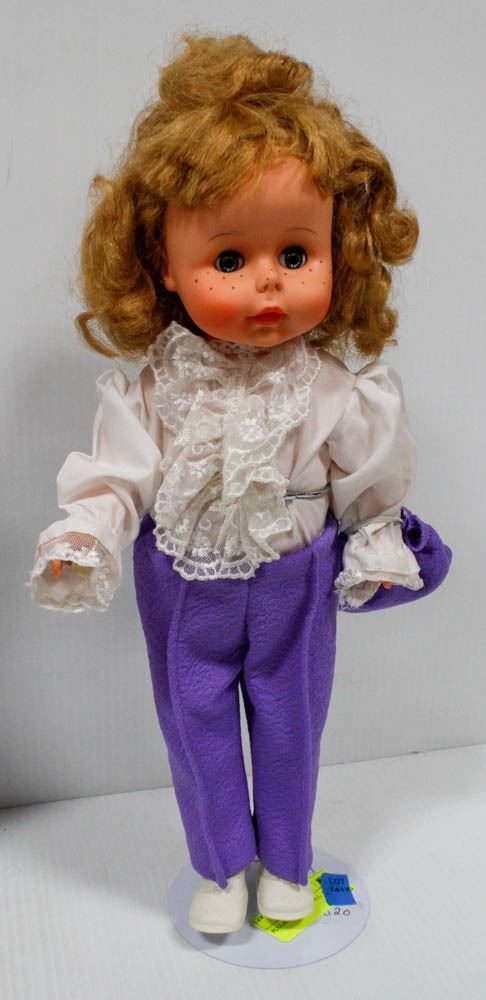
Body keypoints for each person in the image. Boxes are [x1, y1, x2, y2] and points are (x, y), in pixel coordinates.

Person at [27, 33, 451, 934]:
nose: (267, 284)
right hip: (185, 587)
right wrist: (86, 533)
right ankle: (222, 865)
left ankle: (287, 863)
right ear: (163, 265)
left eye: (296, 254)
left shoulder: (336, 391)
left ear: (337, 251)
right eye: (229, 260)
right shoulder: (155, 389)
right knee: (195, 721)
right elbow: (119, 473)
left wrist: (377, 540)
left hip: (296, 583)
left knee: (293, 722)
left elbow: (368, 480)